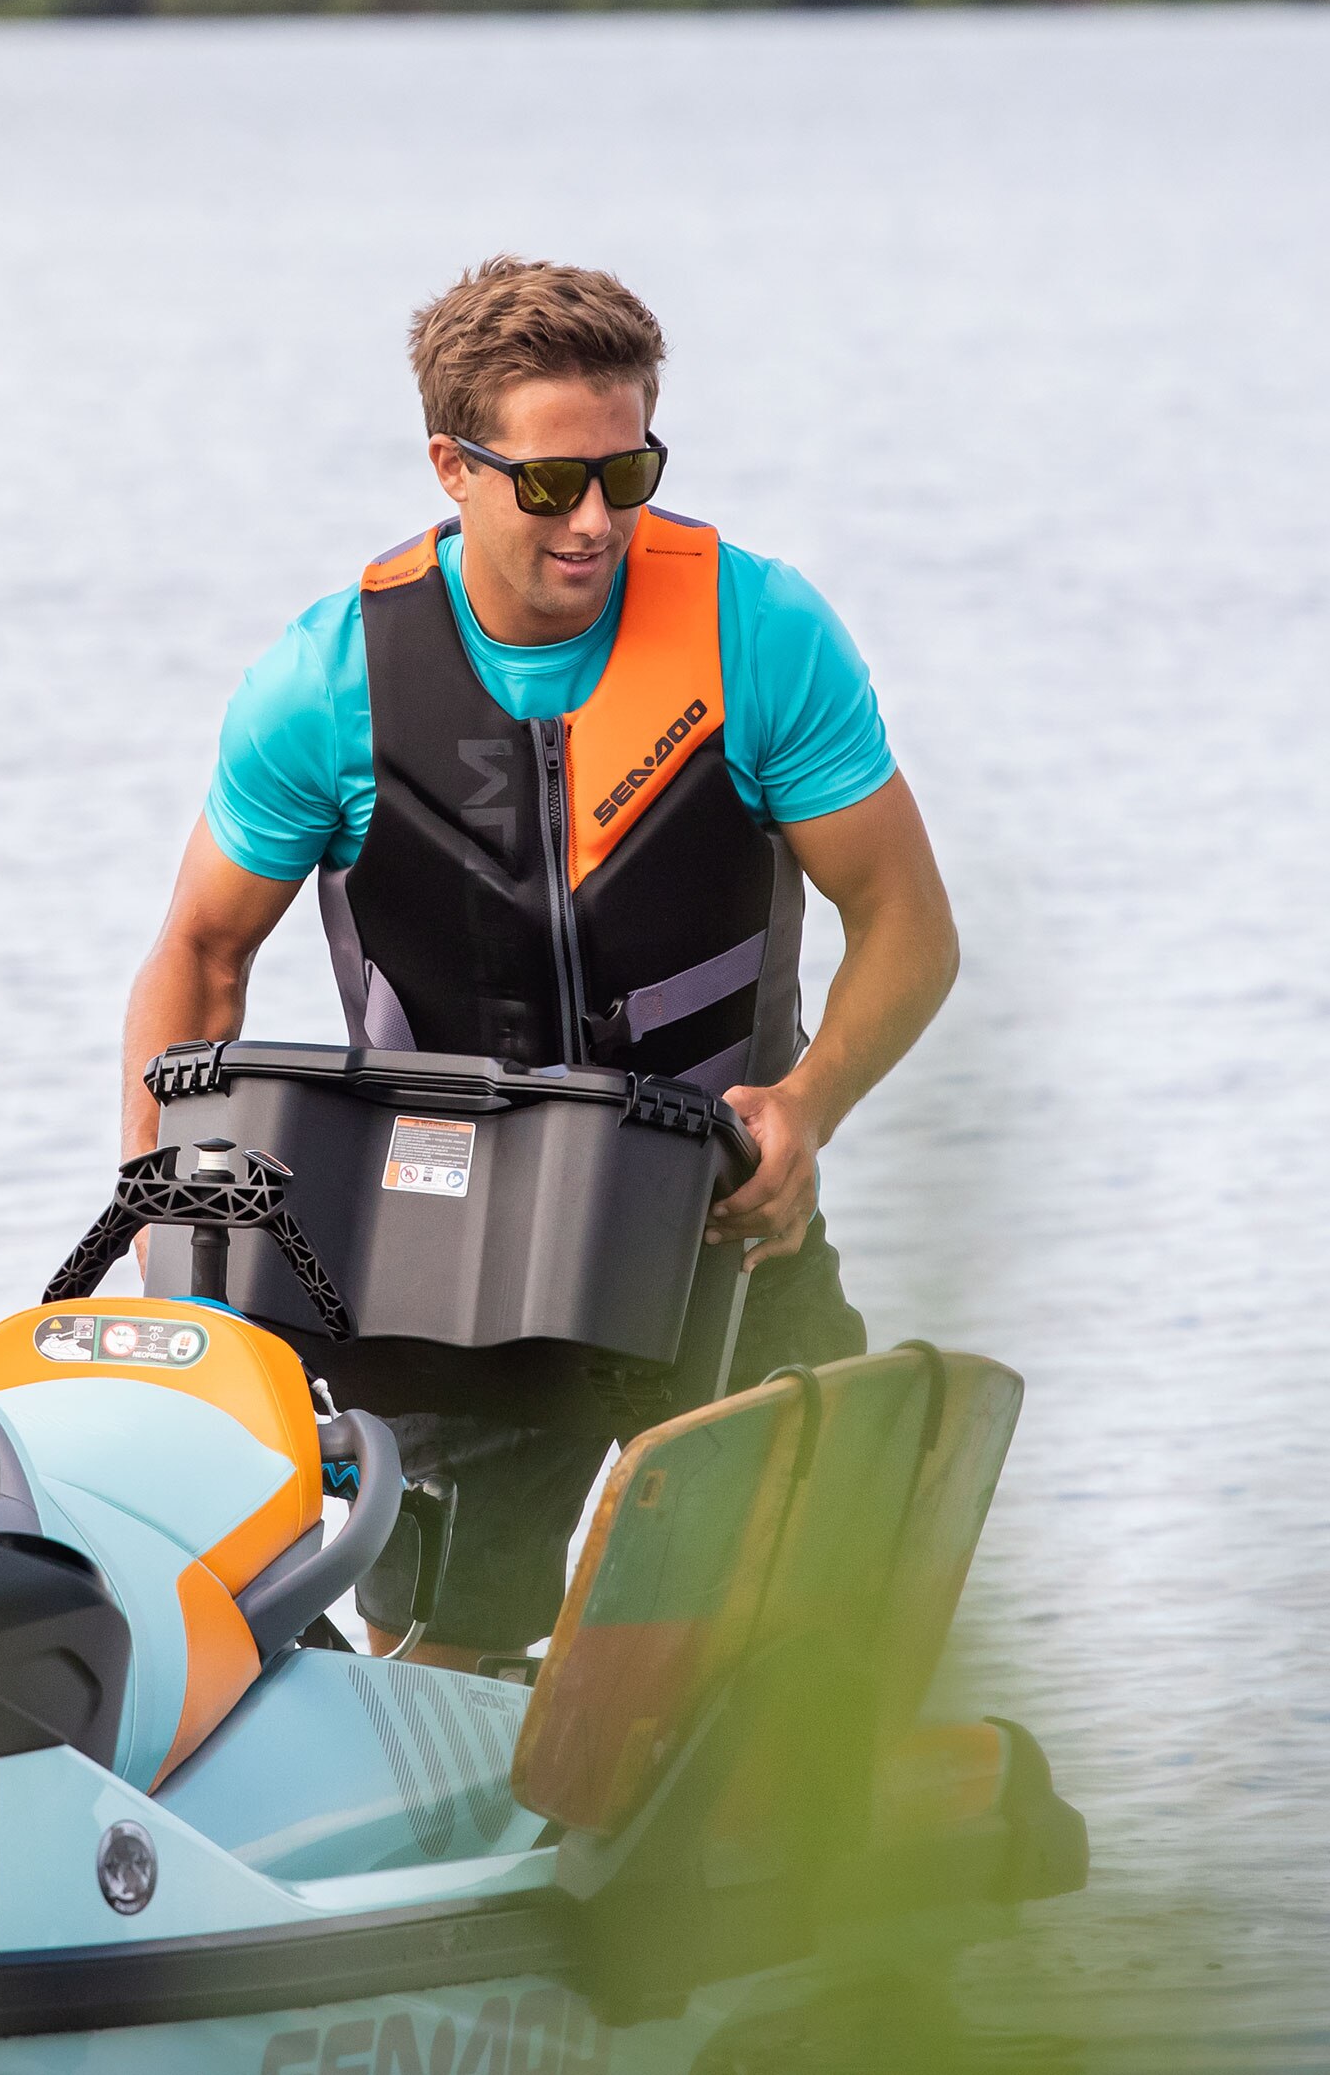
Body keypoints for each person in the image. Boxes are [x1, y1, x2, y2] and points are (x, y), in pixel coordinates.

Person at [118, 257, 957, 1670]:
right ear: (453, 464)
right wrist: (167, 1218)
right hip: (438, 1276)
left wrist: (804, 1107)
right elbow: (199, 957)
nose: (595, 525)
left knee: (816, 1651)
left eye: (624, 475)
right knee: (440, 1662)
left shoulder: (757, 634)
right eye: (551, 486)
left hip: (722, 1236)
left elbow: (908, 929)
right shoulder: (329, 683)